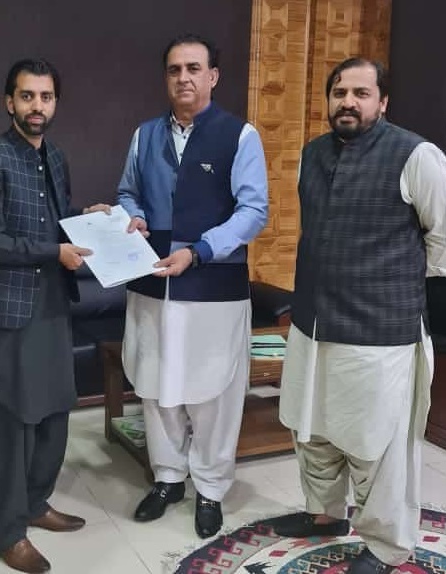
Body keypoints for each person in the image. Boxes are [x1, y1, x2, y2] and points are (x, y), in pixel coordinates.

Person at [276, 57, 446, 573]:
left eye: (361, 93)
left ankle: (386, 546)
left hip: (380, 332)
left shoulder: (417, 155)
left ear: (382, 102)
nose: (348, 102)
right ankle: (325, 515)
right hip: (313, 324)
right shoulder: (312, 153)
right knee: (311, 428)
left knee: (375, 444)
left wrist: (391, 278)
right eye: (339, 92)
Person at [116, 33, 269, 538]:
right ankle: (167, 479)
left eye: (194, 68)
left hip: (212, 285)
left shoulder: (240, 136)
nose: (183, 77)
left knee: (212, 393)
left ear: (213, 76)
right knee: (156, 386)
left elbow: (253, 210)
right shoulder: (144, 135)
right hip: (151, 282)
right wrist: (135, 216)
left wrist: (200, 249)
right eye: (174, 69)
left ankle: (210, 487)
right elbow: (128, 191)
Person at [0, 59, 110, 574]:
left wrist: (87, 221)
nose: (37, 106)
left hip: (52, 304)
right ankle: (6, 531)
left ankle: (34, 503)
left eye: (46, 97)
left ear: (55, 103)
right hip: (8, 311)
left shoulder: (55, 156)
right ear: (10, 102)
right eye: (27, 96)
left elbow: (54, 223)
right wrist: (54, 252)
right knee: (8, 423)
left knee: (52, 413)